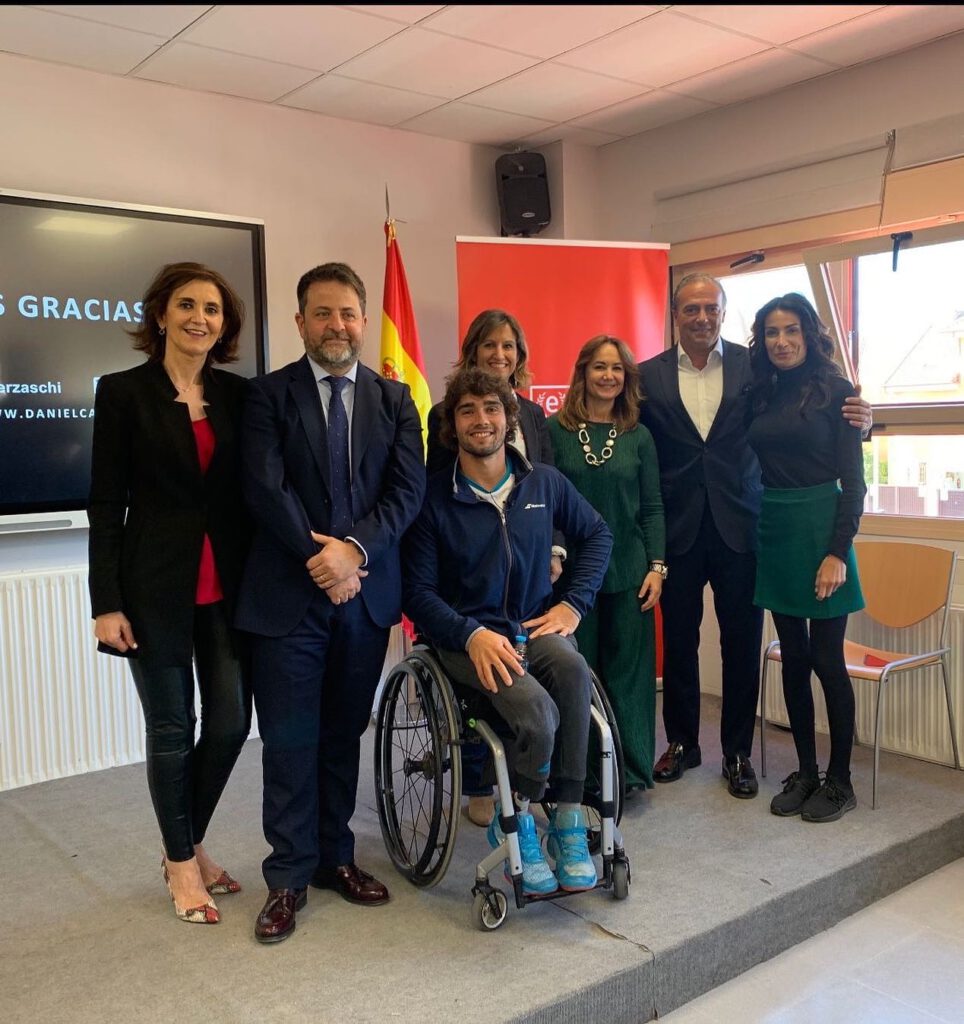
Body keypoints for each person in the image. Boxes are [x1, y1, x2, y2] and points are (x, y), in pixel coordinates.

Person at [237, 262, 425, 944]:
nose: (337, 326)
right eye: (323, 313)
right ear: (300, 323)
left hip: (364, 599)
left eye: (348, 313)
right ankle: (287, 876)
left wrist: (355, 554)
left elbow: (406, 494)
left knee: (343, 733)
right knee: (289, 741)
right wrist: (324, 561)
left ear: (363, 318)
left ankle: (334, 859)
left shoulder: (397, 400)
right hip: (289, 598)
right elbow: (264, 488)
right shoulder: (266, 396)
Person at [638, 273, 872, 799]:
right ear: (675, 313)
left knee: (741, 642)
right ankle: (681, 743)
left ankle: (738, 752)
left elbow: (821, 414)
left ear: (724, 312)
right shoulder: (646, 375)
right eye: (690, 308)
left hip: (745, 523)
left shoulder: (755, 368)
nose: (701, 317)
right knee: (678, 641)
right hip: (678, 527)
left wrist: (866, 420)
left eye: (711, 308)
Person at [404, 367, 613, 895]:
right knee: (538, 714)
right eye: (468, 410)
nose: (482, 420)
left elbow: (597, 535)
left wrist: (573, 607)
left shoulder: (543, 482)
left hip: (533, 623)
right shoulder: (434, 499)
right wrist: (470, 634)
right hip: (464, 638)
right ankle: (513, 815)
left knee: (571, 667)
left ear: (509, 417)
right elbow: (418, 594)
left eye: (492, 408)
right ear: (452, 424)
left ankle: (565, 819)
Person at [88, 261, 252, 925]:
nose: (199, 318)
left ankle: (182, 842)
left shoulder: (238, 396)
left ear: (224, 324)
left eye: (212, 309)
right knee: (171, 728)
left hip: (227, 586)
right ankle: (184, 863)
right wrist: (105, 602)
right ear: (161, 313)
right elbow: (105, 504)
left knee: (233, 724)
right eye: (187, 305)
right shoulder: (123, 393)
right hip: (152, 587)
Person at [426, 308, 562, 828]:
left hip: (528, 573)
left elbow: (550, 488)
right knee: (486, 676)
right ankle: (484, 780)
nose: (500, 354)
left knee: (554, 671)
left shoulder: (532, 414)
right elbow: (437, 501)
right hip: (468, 580)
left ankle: (542, 782)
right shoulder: (446, 414)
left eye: (510, 346)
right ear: (473, 351)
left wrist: (555, 551)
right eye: (490, 345)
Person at [746, 294, 866, 822]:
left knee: (826, 661)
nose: (781, 341)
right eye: (772, 332)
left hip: (823, 528)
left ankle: (840, 780)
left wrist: (837, 552)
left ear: (809, 333)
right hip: (775, 524)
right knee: (794, 660)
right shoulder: (762, 390)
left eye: (791, 330)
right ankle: (808, 773)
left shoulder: (837, 391)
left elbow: (855, 484)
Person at [548, 335, 666, 794]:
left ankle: (630, 772)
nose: (608, 376)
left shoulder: (640, 435)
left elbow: (653, 507)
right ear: (582, 372)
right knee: (578, 678)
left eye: (617, 369)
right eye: (599, 366)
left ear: (627, 378)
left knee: (629, 680)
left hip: (631, 575)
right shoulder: (555, 431)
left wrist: (658, 566)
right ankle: (583, 778)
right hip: (573, 580)